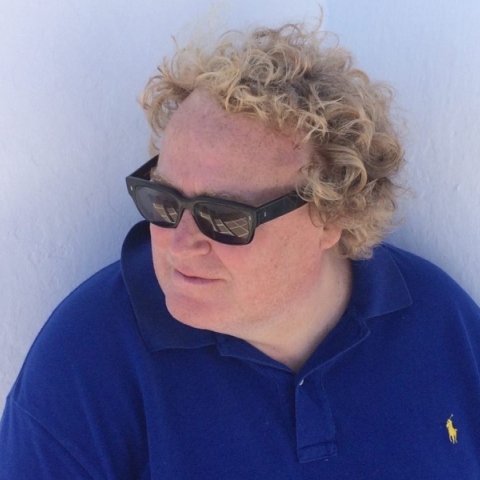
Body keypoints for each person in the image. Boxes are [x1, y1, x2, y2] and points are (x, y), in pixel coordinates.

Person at [1, 19, 480, 480]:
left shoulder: (440, 322)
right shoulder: (89, 357)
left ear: (333, 215)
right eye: (163, 201)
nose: (180, 245)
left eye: (225, 217)